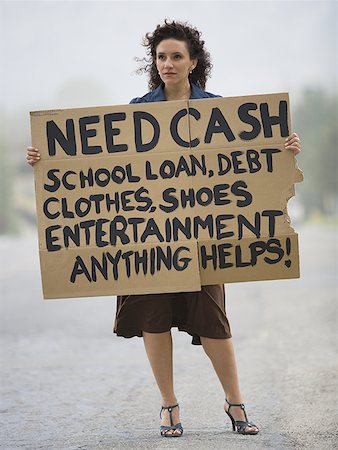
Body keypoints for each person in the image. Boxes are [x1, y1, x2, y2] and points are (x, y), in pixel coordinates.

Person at [26, 19, 301, 438]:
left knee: (213, 322)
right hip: (147, 239)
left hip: (202, 238)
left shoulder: (220, 110)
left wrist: (284, 148)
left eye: (176, 56)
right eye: (161, 57)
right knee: (153, 320)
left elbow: (254, 165)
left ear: (193, 62)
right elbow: (96, 168)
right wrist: (45, 158)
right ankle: (169, 407)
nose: (167, 64)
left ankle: (235, 402)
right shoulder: (136, 111)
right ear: (154, 63)